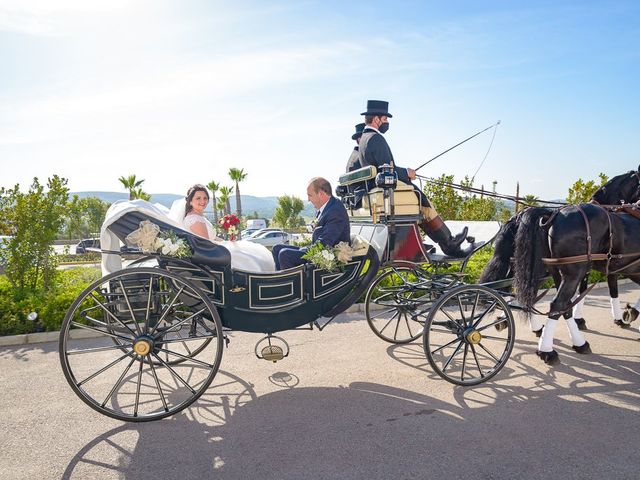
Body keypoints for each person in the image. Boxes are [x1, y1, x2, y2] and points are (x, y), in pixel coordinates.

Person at [357, 99, 471, 257]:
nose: (387, 122)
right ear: (376, 119)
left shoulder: (363, 139)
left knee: (421, 204)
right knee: (425, 205)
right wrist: (407, 173)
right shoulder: (376, 139)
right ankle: (449, 243)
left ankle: (447, 242)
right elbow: (387, 169)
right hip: (387, 191)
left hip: (377, 191)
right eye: (385, 119)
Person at [175, 184, 276, 272]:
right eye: (198, 198)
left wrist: (226, 241)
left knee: (249, 251)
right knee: (248, 256)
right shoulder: (195, 219)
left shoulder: (197, 217)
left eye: (205, 198)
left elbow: (211, 239)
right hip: (210, 256)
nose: (203, 201)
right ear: (190, 201)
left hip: (211, 250)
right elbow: (206, 244)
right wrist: (225, 245)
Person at [272, 177, 350, 270]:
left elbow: (325, 242)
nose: (308, 199)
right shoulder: (326, 207)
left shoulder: (335, 211)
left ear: (321, 194)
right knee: (276, 248)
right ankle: (280, 281)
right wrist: (304, 249)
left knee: (285, 254)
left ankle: (292, 284)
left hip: (328, 257)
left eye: (310, 195)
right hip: (318, 250)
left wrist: (306, 250)